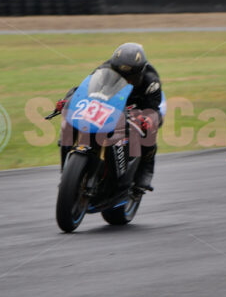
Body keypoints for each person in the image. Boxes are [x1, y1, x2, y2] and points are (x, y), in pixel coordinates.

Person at [55, 42, 163, 191]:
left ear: (141, 72)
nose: (127, 80)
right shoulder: (105, 68)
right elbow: (84, 88)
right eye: (121, 75)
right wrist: (68, 100)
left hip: (139, 106)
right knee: (70, 123)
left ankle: (145, 173)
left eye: (131, 77)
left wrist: (148, 118)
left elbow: (153, 109)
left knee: (149, 131)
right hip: (111, 103)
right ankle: (66, 169)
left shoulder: (151, 81)